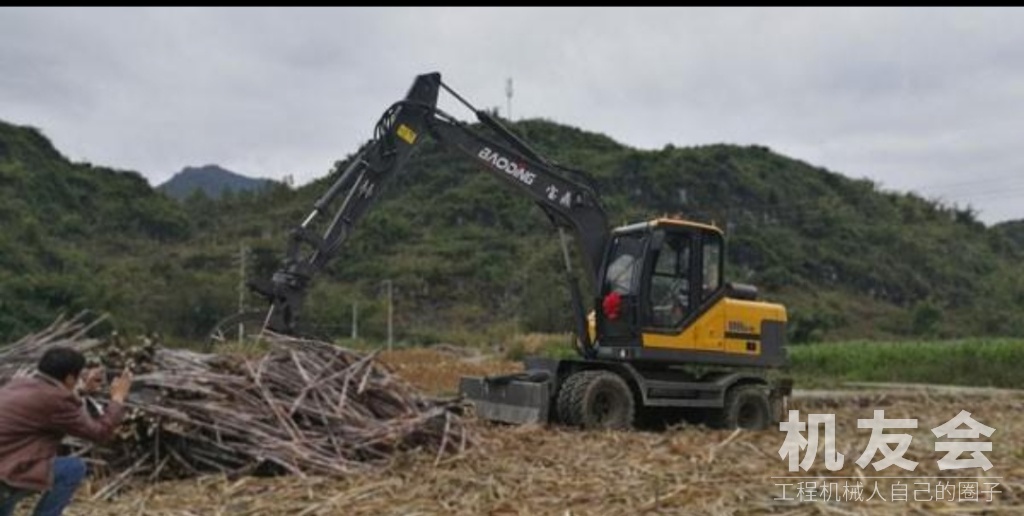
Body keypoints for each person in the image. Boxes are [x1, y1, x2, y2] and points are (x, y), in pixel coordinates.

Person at [0, 347, 133, 516]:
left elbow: (49, 405)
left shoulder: (19, 384)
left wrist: (81, 390)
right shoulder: (58, 401)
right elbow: (100, 433)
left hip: (4, 465)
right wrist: (118, 399)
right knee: (73, 468)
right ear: (70, 378)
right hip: (6, 474)